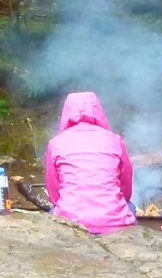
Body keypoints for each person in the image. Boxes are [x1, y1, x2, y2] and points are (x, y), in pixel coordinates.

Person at [43, 91, 137, 235]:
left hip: (71, 222)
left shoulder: (55, 143)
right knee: (129, 206)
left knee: (53, 212)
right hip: (114, 224)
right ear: (98, 111)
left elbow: (54, 193)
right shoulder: (114, 140)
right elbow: (126, 188)